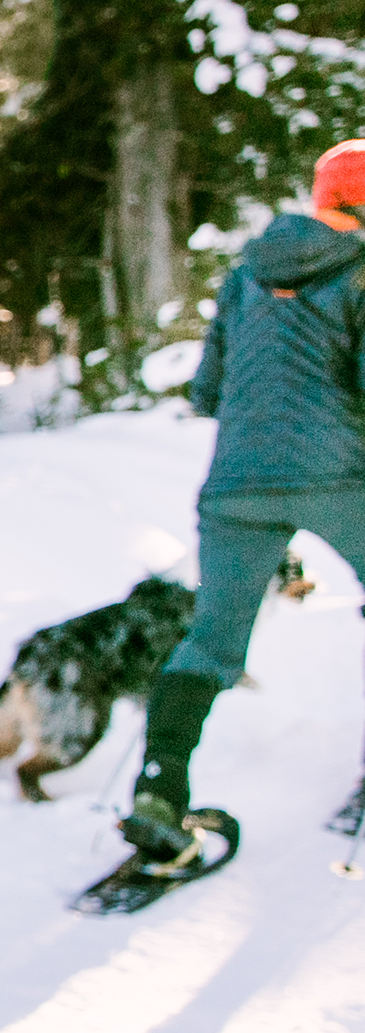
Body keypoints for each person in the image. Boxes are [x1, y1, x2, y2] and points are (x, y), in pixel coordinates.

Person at [126, 140, 365, 864]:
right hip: (340, 476)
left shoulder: (247, 273)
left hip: (236, 484)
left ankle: (159, 795)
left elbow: (207, 390)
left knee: (211, 641)